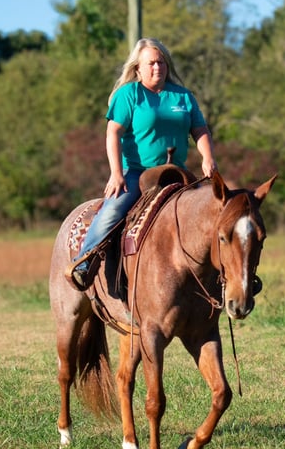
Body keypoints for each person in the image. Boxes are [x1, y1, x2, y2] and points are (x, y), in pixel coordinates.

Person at [69, 38, 218, 291]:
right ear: (138, 67)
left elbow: (200, 130)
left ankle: (224, 277)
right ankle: (85, 260)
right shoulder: (129, 94)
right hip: (138, 173)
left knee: (215, 210)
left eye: (161, 62)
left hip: (176, 172)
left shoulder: (183, 96)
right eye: (151, 63)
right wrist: (116, 174)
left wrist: (208, 158)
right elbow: (113, 133)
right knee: (114, 209)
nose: (157, 67)